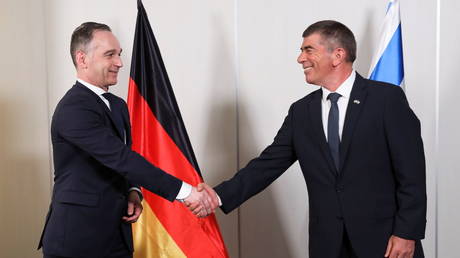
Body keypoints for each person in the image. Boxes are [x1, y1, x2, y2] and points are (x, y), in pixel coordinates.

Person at [196, 20, 427, 258]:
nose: (300, 58)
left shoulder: (386, 100)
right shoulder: (301, 112)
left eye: (308, 50)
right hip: (328, 244)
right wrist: (217, 195)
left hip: (386, 242)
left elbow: (412, 173)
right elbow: (267, 165)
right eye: (301, 50)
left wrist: (407, 233)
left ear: (338, 55)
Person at [38, 22, 213, 258]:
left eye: (119, 54)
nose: (119, 63)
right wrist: (186, 192)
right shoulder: (73, 107)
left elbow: (125, 157)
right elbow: (122, 158)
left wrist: (133, 191)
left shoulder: (118, 106)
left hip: (116, 234)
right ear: (82, 59)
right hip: (76, 239)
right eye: (109, 55)